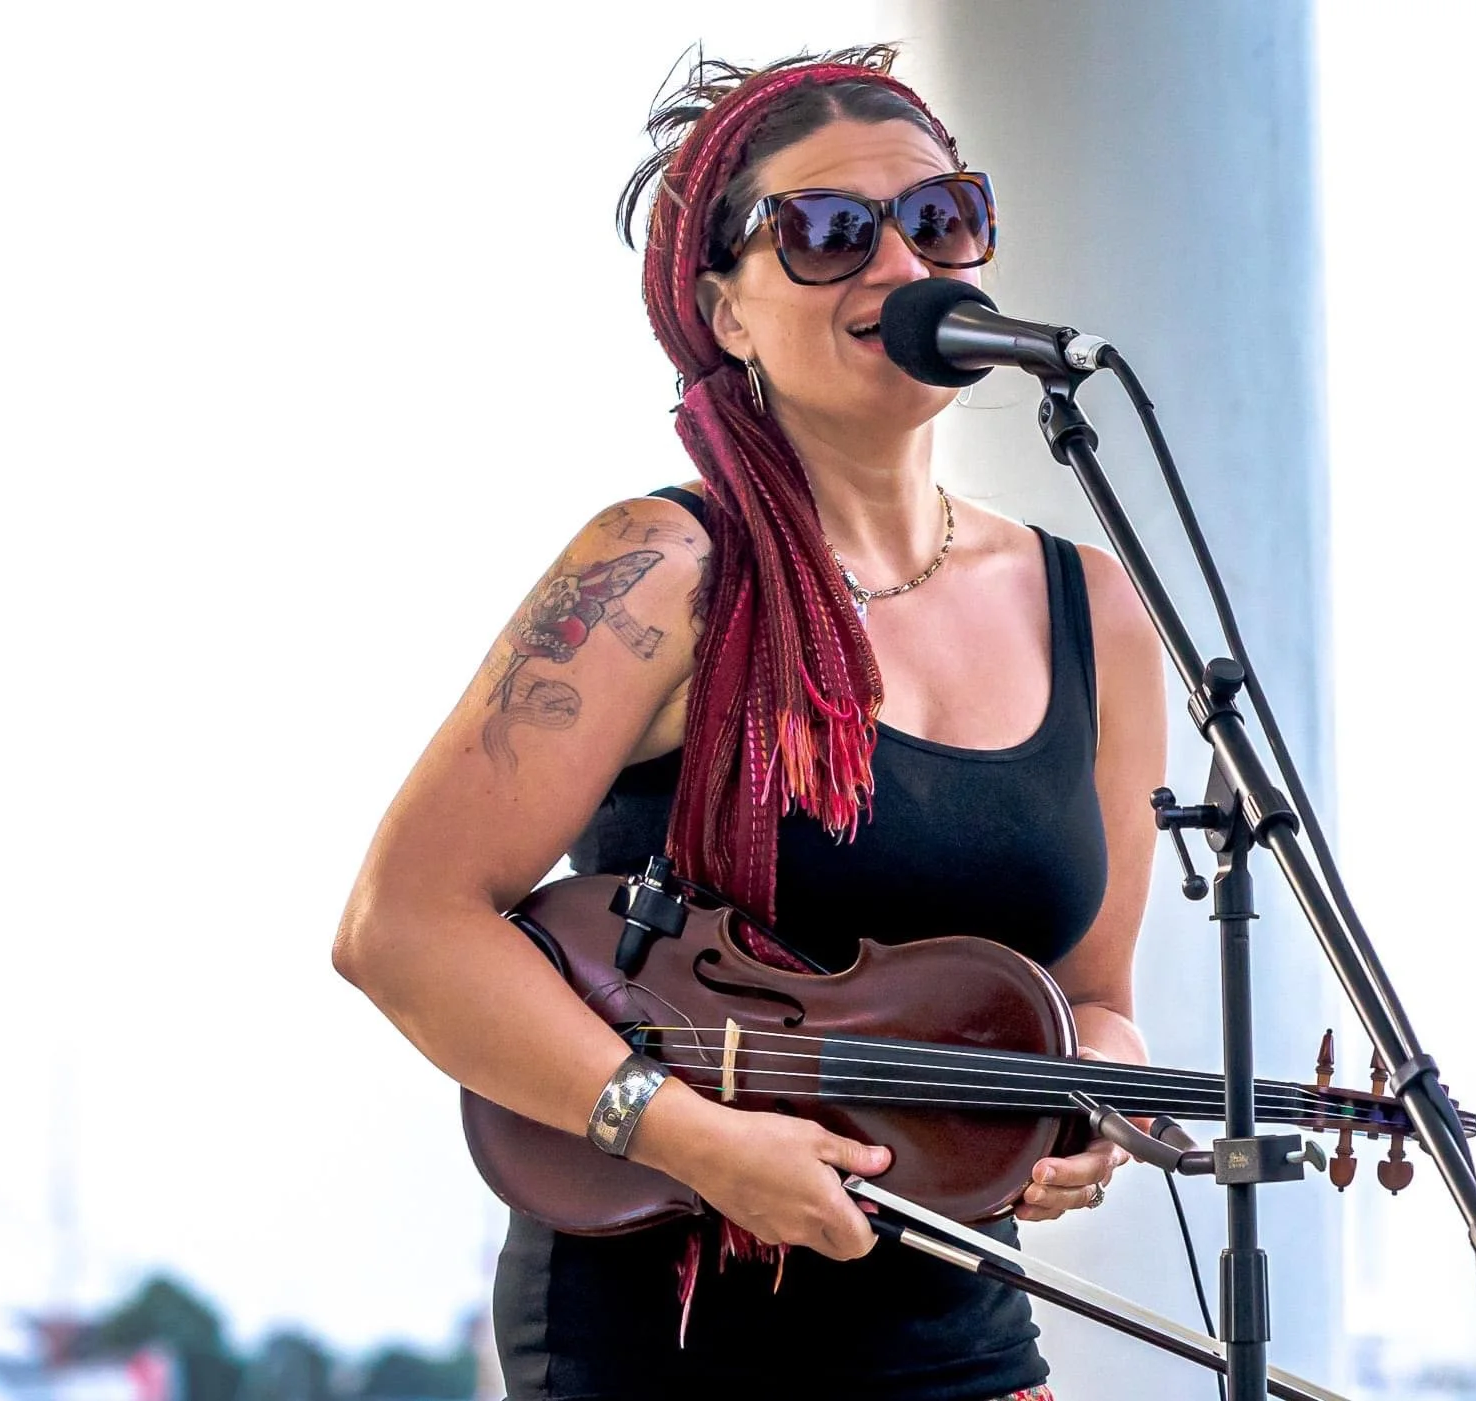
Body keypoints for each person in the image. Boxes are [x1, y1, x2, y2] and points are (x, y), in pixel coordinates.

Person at [333, 44, 1167, 1401]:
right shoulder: (657, 571)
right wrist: (700, 1144)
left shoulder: (1097, 611)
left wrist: (1099, 1096)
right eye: (828, 234)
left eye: (940, 217)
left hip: (960, 1339)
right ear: (724, 312)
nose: (900, 265)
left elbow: (1095, 997)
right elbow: (403, 928)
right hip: (665, 1346)